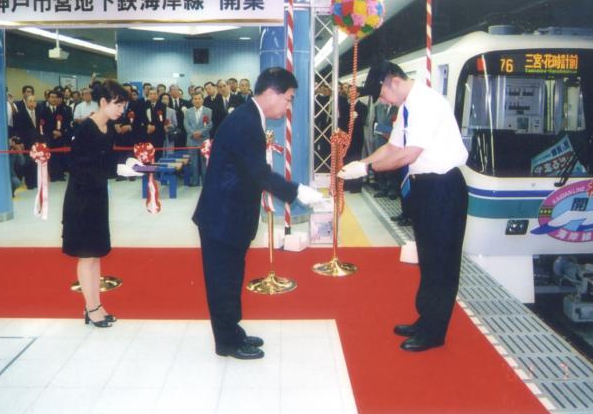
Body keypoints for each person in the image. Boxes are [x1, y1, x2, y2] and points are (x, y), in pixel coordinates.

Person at [192, 67, 324, 360]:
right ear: (271, 93)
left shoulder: (249, 117)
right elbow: (260, 174)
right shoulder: (246, 123)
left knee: (230, 276)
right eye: (288, 99)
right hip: (222, 217)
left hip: (230, 215)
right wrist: (297, 191)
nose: (289, 106)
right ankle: (226, 342)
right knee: (223, 280)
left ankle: (232, 330)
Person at [338, 60, 468, 352]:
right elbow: (393, 147)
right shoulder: (407, 107)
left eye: (381, 94)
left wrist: (368, 173)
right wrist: (362, 163)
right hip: (423, 187)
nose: (382, 101)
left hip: (443, 187)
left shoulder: (426, 103)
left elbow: (408, 154)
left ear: (392, 81)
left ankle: (434, 332)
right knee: (428, 257)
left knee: (442, 261)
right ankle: (426, 319)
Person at [62, 80, 128, 328]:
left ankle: (95, 306)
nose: (121, 110)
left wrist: (125, 165)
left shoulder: (108, 128)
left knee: (96, 254)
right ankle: (91, 308)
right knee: (86, 255)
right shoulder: (85, 130)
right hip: (81, 199)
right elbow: (78, 167)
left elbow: (107, 159)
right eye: (118, 105)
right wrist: (116, 169)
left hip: (98, 195)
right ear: (103, 102)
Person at [183, 91, 212, 186]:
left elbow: (210, 125)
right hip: (192, 140)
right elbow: (186, 124)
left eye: (199, 98)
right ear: (192, 100)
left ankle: (205, 181)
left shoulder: (208, 111)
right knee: (193, 163)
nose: (197, 100)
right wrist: (193, 133)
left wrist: (201, 132)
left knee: (204, 162)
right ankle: (195, 181)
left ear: (202, 100)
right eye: (195, 99)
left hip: (204, 140)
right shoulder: (188, 111)